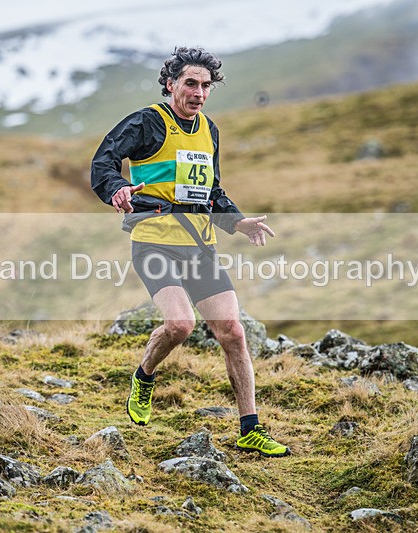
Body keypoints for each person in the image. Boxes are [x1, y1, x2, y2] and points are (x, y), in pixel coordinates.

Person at [91, 47, 289, 457]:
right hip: (155, 239)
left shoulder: (209, 130)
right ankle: (145, 377)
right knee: (180, 325)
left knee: (232, 332)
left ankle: (250, 428)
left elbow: (210, 191)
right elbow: (103, 162)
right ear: (171, 84)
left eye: (205, 85)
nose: (198, 92)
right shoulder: (148, 121)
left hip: (200, 245)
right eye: (190, 83)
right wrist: (117, 188)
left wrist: (238, 221)